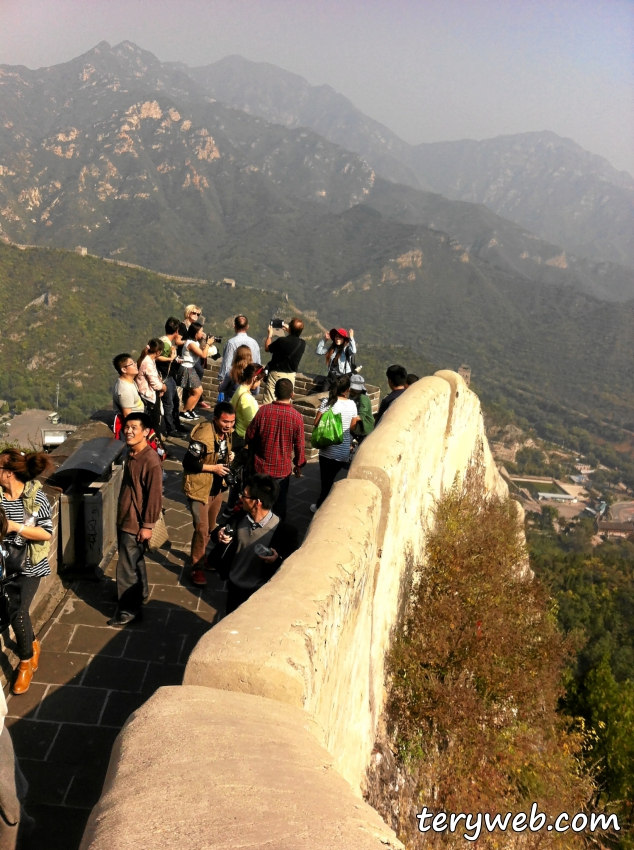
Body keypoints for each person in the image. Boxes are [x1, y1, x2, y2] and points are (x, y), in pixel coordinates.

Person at [0, 449, 53, 694]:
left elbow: (46, 533)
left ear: (9, 473)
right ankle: (32, 643)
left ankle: (25, 663)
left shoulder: (35, 498)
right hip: (5, 564)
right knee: (16, 609)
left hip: (31, 565)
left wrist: (13, 527)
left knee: (17, 611)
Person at [209, 474, 297, 615]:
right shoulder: (239, 518)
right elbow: (216, 532)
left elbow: (291, 569)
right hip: (234, 588)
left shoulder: (285, 533)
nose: (240, 498)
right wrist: (219, 533)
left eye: (244, 496)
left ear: (257, 502)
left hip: (259, 595)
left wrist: (276, 560)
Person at [109, 412, 163, 627]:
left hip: (135, 521)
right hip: (127, 517)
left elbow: (154, 496)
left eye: (134, 428)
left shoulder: (150, 461)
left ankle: (128, 609)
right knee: (135, 561)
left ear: (146, 432)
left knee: (126, 567)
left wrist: (147, 525)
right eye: (127, 427)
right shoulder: (132, 454)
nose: (129, 431)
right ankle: (140, 593)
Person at [182, 401, 235, 587]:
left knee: (211, 528)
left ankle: (204, 557)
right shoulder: (203, 436)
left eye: (232, 422)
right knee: (201, 529)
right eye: (225, 421)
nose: (229, 425)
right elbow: (188, 462)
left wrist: (228, 457)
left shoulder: (226, 435)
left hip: (216, 488)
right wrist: (214, 468)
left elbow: (219, 456)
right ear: (216, 419)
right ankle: (197, 568)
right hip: (199, 489)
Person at [245, 378, 305, 521]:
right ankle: (275, 533)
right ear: (292, 394)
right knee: (279, 503)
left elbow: (249, 435)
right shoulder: (297, 417)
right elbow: (299, 445)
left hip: (260, 467)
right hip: (282, 471)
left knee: (257, 500)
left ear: (274, 393)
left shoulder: (263, 411)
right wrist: (298, 464)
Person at [310, 375, 360, 513]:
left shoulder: (327, 402)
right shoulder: (352, 405)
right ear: (348, 389)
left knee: (325, 481)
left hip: (327, 449)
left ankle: (321, 506)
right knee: (330, 480)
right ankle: (324, 504)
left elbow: (315, 423)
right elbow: (352, 428)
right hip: (343, 451)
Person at [261, 318, 306, 404]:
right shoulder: (302, 344)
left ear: (290, 328)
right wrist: (291, 330)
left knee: (269, 401)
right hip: (291, 376)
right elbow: (294, 338)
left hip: (276, 375)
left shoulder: (281, 341)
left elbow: (267, 348)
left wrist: (269, 335)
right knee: (285, 402)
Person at [157, 317, 187, 438]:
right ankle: (170, 429)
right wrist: (170, 358)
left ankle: (176, 424)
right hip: (165, 377)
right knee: (168, 404)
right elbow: (157, 357)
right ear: (176, 331)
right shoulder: (165, 343)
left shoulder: (165, 341)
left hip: (170, 377)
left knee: (175, 402)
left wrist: (175, 359)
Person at [135, 339, 166, 446]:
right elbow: (155, 384)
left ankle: (158, 447)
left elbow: (155, 376)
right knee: (154, 425)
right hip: (149, 397)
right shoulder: (147, 362)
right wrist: (164, 387)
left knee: (154, 424)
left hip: (150, 394)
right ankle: (158, 448)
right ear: (158, 352)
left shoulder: (149, 360)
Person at [179, 322, 213, 422]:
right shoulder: (191, 343)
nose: (202, 334)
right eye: (201, 332)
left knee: (199, 391)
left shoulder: (195, 342)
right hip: (187, 369)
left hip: (190, 368)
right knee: (196, 392)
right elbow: (203, 355)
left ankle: (190, 410)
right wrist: (207, 344)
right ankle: (184, 411)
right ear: (195, 333)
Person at [218, 315, 261, 385]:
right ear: (247, 327)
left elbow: (227, 365)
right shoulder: (254, 343)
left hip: (234, 382)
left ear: (234, 326)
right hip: (249, 382)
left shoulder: (231, 343)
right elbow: (257, 364)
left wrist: (222, 380)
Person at [231, 364, 263, 449]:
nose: (260, 383)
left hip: (236, 432)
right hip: (242, 437)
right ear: (254, 378)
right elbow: (251, 424)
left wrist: (258, 406)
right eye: (260, 381)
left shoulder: (240, 389)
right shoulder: (247, 398)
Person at [112, 353, 145, 436]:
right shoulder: (125, 389)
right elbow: (127, 415)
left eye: (134, 362)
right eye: (131, 364)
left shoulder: (128, 381)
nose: (135, 365)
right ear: (124, 369)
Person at [349, 374, 375, 442]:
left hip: (364, 429)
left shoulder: (363, 398)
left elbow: (361, 416)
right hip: (355, 428)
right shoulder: (351, 396)